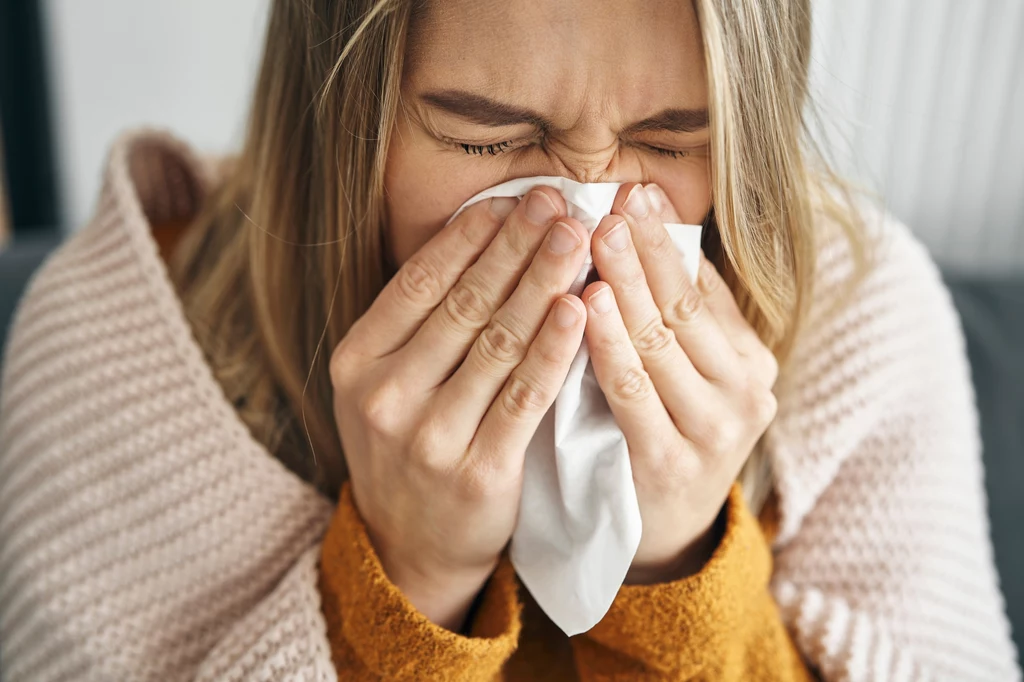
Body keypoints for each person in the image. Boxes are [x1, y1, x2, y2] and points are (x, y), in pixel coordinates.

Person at [0, 0, 1019, 680]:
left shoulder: (859, 320)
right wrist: (403, 584)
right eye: (484, 137)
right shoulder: (121, 335)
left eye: (672, 141)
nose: (581, 223)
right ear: (336, 113)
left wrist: (677, 570)